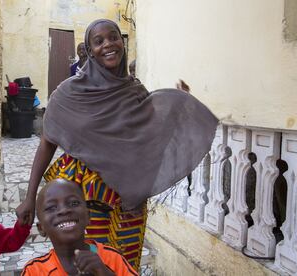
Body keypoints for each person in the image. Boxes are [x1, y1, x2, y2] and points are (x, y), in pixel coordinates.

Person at [17, 19, 218, 270]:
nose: (108, 45)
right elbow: (47, 144)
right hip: (82, 200)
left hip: (127, 204)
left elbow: (150, 145)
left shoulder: (135, 91)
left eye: (113, 38)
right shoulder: (69, 93)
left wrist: (178, 109)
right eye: (98, 41)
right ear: (89, 51)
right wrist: (29, 198)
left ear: (121, 43)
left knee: (122, 266)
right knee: (85, 264)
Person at [22, 179, 138, 275]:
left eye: (73, 203)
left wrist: (106, 273)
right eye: (51, 208)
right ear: (41, 228)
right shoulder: (34, 271)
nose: (64, 210)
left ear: (88, 216)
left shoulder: (111, 258)